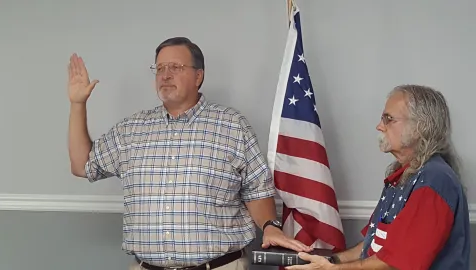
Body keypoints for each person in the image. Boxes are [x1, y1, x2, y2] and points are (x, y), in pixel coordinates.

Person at [67, 37, 311, 270]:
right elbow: (82, 165)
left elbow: (257, 190)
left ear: (198, 76)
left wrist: (270, 226)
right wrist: (78, 104)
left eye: (176, 67)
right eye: (160, 68)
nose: (165, 75)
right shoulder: (130, 130)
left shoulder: (232, 126)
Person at [286, 85, 470, 270]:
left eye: (388, 119)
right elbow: (372, 244)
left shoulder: (435, 180)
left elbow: (395, 263)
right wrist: (332, 261)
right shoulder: (402, 175)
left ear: (419, 127)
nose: (379, 126)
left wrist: (332, 269)